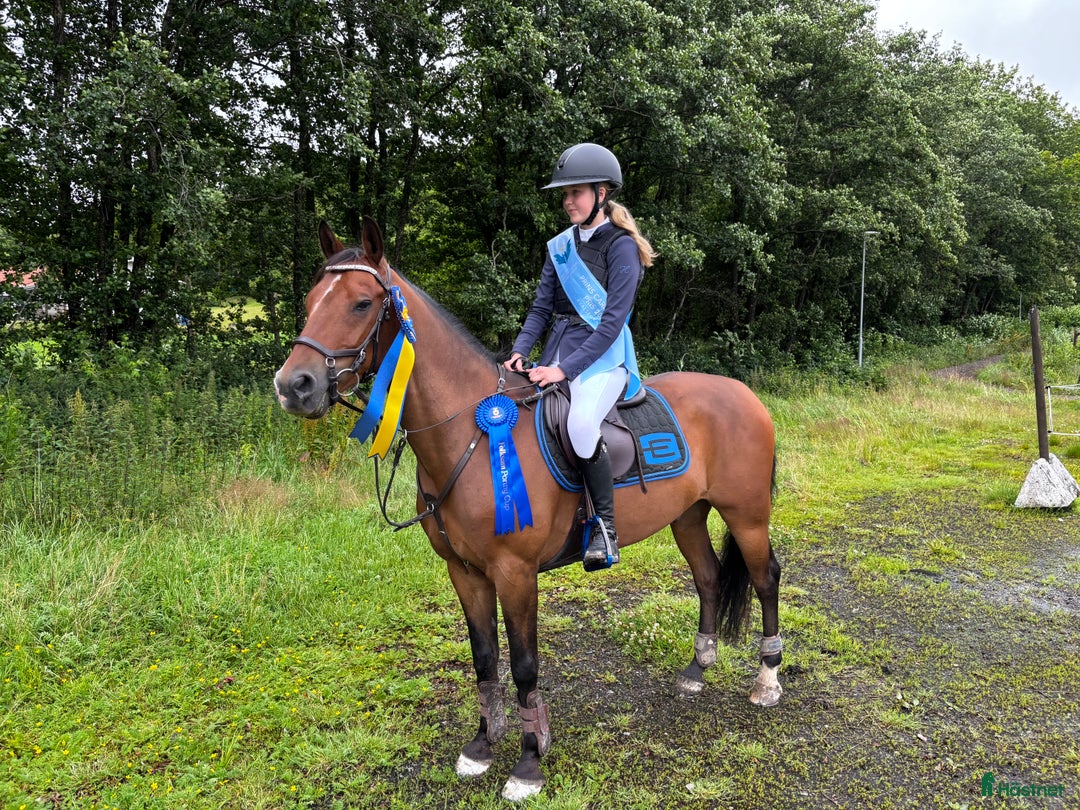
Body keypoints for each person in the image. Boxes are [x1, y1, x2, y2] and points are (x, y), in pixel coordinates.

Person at [504, 143, 656, 570]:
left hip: (605, 358)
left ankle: (604, 528)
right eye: (564, 194)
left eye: (577, 192)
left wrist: (563, 369)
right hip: (558, 350)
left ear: (602, 193)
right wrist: (520, 351)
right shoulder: (560, 247)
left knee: (581, 422)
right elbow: (539, 310)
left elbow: (611, 324)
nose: (568, 201)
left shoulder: (621, 247)